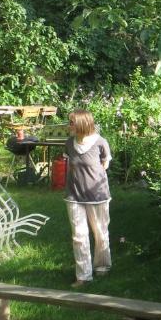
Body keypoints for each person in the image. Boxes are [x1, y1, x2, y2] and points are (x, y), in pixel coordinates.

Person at [64, 110, 112, 287]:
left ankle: (102, 266)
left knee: (100, 232)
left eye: (71, 122)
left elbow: (104, 164)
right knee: (79, 235)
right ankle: (83, 276)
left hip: (97, 196)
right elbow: (71, 165)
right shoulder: (69, 143)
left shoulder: (100, 142)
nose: (69, 125)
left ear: (83, 124)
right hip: (74, 195)